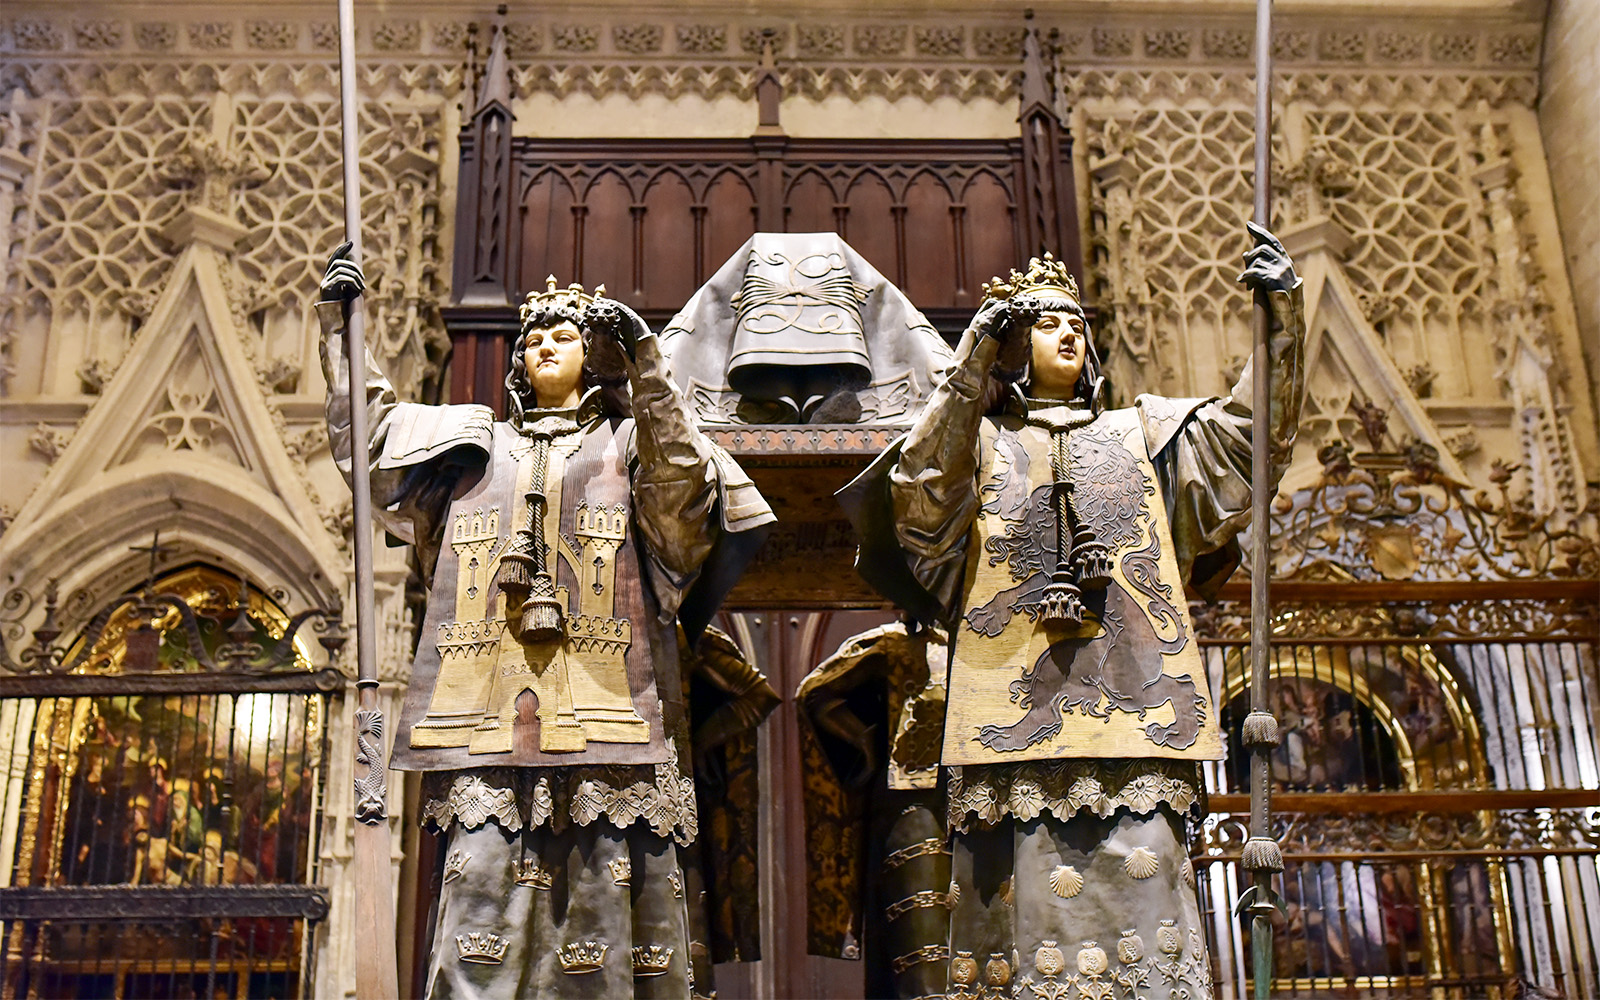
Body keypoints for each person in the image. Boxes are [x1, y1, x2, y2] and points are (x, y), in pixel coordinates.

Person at [833, 222, 1305, 997]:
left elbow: (1253, 441)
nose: (1067, 334)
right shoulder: (979, 445)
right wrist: (968, 367)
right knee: (1021, 945)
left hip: (1135, 728)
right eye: (1044, 323)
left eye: (1077, 322)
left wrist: (1280, 318)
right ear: (1013, 349)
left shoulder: (1145, 436)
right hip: (1010, 734)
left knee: (1144, 925)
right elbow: (920, 501)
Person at [319, 248, 775, 999]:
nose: (542, 345)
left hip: (615, 726)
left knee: (610, 931)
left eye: (560, 334)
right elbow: (374, 441)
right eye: (530, 338)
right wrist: (345, 328)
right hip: (490, 731)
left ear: (591, 355)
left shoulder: (630, 444)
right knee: (480, 926)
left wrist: (648, 369)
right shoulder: (473, 448)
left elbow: (688, 509)